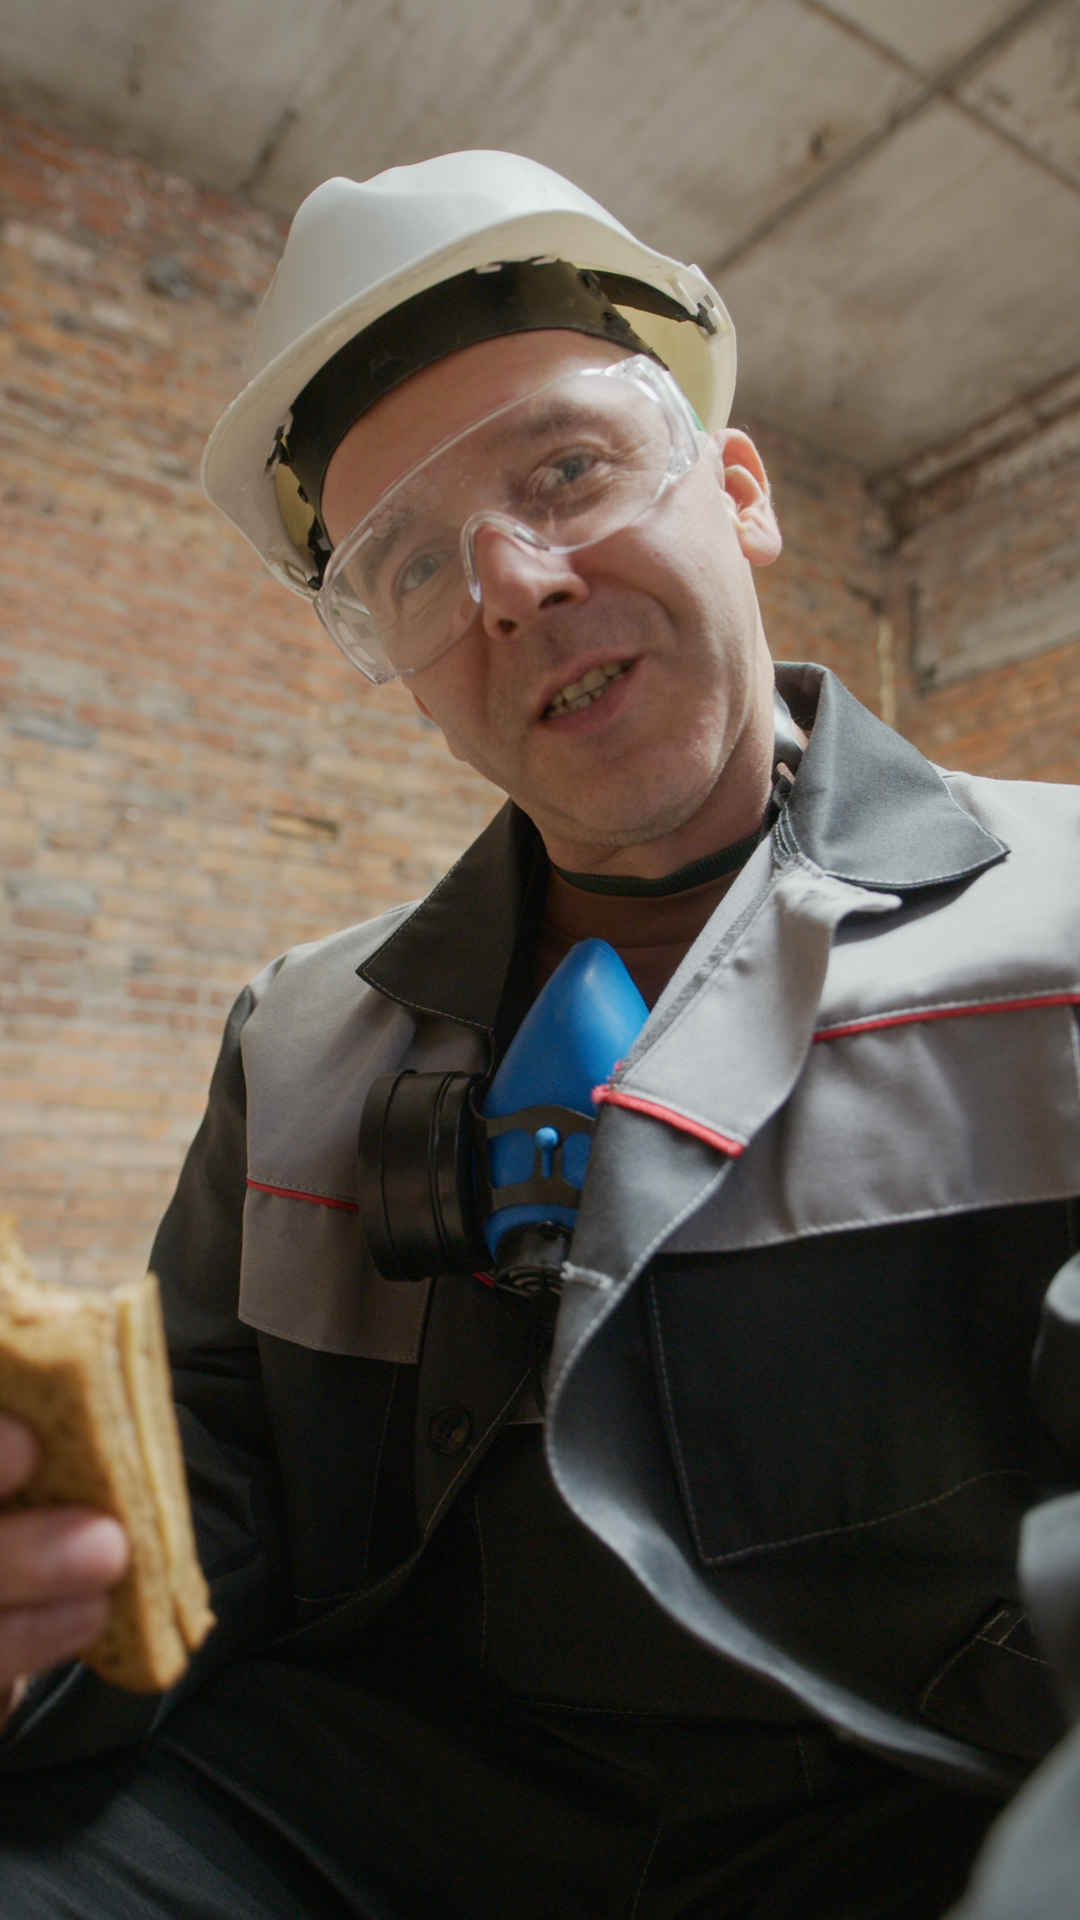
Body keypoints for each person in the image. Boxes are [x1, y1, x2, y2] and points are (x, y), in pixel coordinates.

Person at [0, 149, 1077, 1920]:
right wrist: (46, 1611)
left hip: (918, 1802)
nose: (506, 583)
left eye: (567, 471)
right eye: (413, 564)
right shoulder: (299, 1040)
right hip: (370, 1806)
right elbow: (209, 1485)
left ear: (740, 492)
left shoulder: (1064, 927)